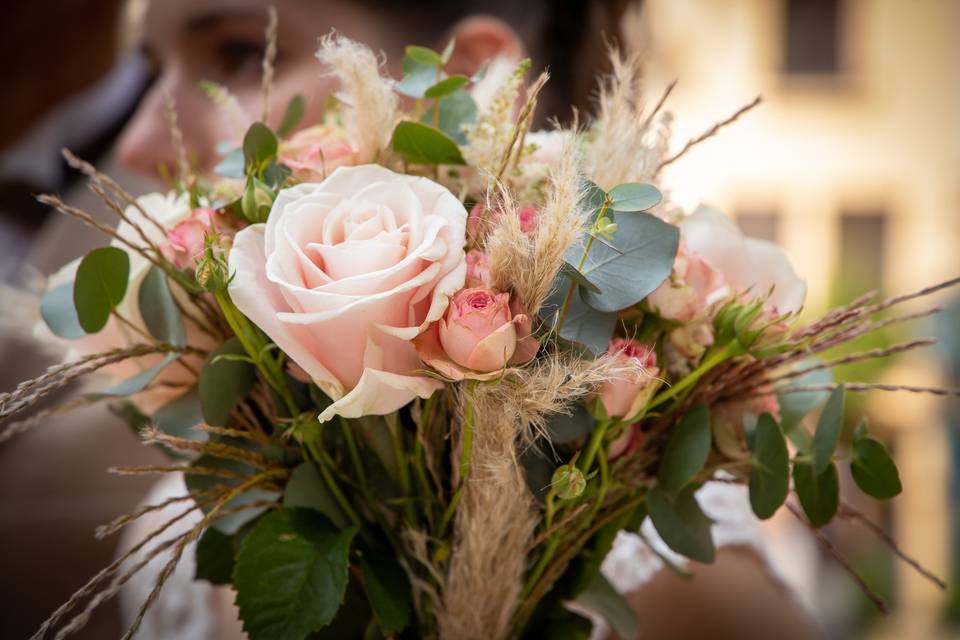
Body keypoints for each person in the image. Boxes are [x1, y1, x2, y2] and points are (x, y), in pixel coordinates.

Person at [109, 0, 816, 637]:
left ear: (474, 81)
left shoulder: (665, 572)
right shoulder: (192, 511)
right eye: (148, 70)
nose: (138, 143)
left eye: (236, 54)